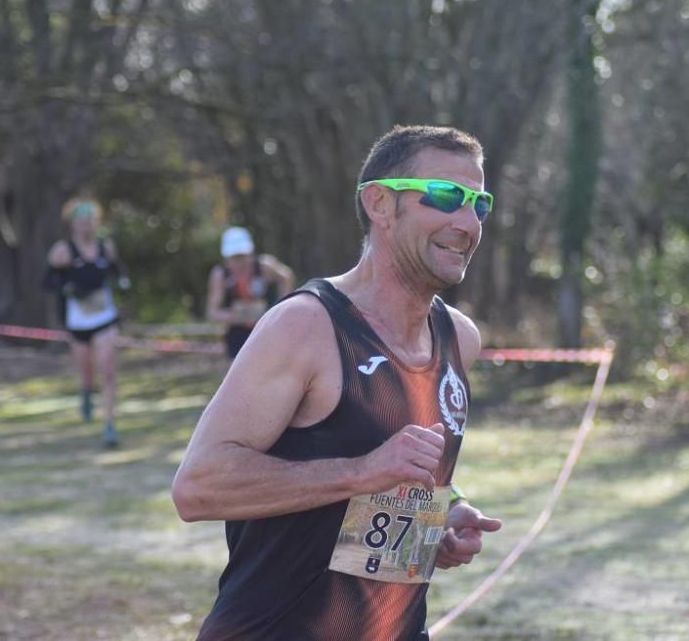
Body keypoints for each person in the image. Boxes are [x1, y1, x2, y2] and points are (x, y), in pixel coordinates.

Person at [173, 125, 503, 640]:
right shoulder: (306, 326)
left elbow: (391, 483)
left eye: (479, 204)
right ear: (380, 204)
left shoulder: (459, 339)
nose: (467, 223)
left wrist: (443, 513)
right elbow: (197, 488)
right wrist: (361, 472)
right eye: (445, 197)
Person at [45, 197, 128, 448]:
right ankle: (86, 393)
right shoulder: (62, 251)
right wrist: (68, 288)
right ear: (72, 224)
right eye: (82, 221)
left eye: (91, 220)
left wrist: (122, 283)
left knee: (108, 369)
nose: (87, 225)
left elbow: (117, 271)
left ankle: (110, 425)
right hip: (78, 321)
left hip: (105, 317)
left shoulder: (106, 247)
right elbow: (47, 283)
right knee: (86, 372)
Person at [206, 226, 296, 359]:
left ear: (250, 253)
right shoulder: (220, 275)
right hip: (237, 333)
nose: (239, 262)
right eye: (234, 257)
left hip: (267, 328)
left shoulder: (264, 266)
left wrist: (281, 306)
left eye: (242, 256)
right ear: (226, 258)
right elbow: (212, 312)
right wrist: (234, 317)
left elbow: (287, 276)